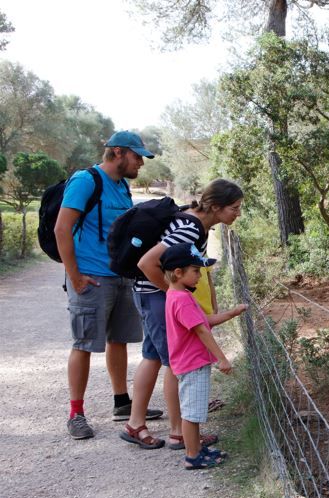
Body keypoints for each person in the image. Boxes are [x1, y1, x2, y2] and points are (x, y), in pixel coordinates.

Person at [54, 131, 162, 441]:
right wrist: (74, 275)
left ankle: (121, 403)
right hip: (90, 277)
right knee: (84, 344)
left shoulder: (122, 185)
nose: (140, 162)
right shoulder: (86, 181)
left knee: (119, 340)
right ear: (117, 153)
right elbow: (62, 229)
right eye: (136, 155)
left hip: (121, 275)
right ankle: (76, 413)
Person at [122, 179, 244, 450]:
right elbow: (147, 262)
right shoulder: (190, 228)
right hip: (154, 294)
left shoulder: (195, 223)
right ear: (215, 206)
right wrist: (173, 294)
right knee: (175, 363)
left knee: (153, 356)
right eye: (234, 208)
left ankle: (135, 423)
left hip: (150, 294)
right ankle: (179, 431)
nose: (238, 213)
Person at [160, 243, 246, 469]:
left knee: (194, 410)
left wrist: (231, 313)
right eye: (196, 271)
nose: (201, 276)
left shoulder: (176, 294)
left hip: (189, 362)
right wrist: (222, 359)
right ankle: (192, 456)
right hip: (193, 364)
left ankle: (196, 448)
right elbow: (201, 330)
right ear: (178, 273)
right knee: (191, 413)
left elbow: (204, 321)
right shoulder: (182, 299)